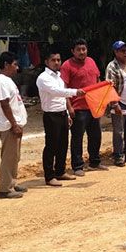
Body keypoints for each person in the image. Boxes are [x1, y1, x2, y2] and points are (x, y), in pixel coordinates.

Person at [36, 47, 86, 186]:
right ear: (46, 62)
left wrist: (67, 111)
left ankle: (60, 171)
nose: (57, 62)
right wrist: (75, 92)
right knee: (51, 145)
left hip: (62, 113)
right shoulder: (43, 78)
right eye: (53, 60)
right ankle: (49, 176)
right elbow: (56, 91)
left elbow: (62, 96)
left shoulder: (58, 77)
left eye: (58, 60)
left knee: (63, 144)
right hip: (51, 115)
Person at [60, 38, 108, 176]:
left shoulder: (91, 61)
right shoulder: (67, 65)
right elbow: (64, 88)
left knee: (96, 136)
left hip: (93, 107)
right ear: (72, 51)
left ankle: (95, 161)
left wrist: (100, 100)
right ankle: (78, 166)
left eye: (84, 49)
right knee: (77, 138)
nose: (82, 52)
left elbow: (97, 81)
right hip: (78, 107)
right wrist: (69, 107)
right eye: (79, 50)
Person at [0, 52, 27, 199]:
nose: (17, 68)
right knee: (9, 157)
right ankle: (5, 188)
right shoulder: (1, 81)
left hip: (14, 123)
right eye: (15, 64)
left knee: (14, 157)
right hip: (9, 125)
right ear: (6, 65)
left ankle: (11, 183)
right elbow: (4, 104)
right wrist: (14, 124)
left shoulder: (7, 80)